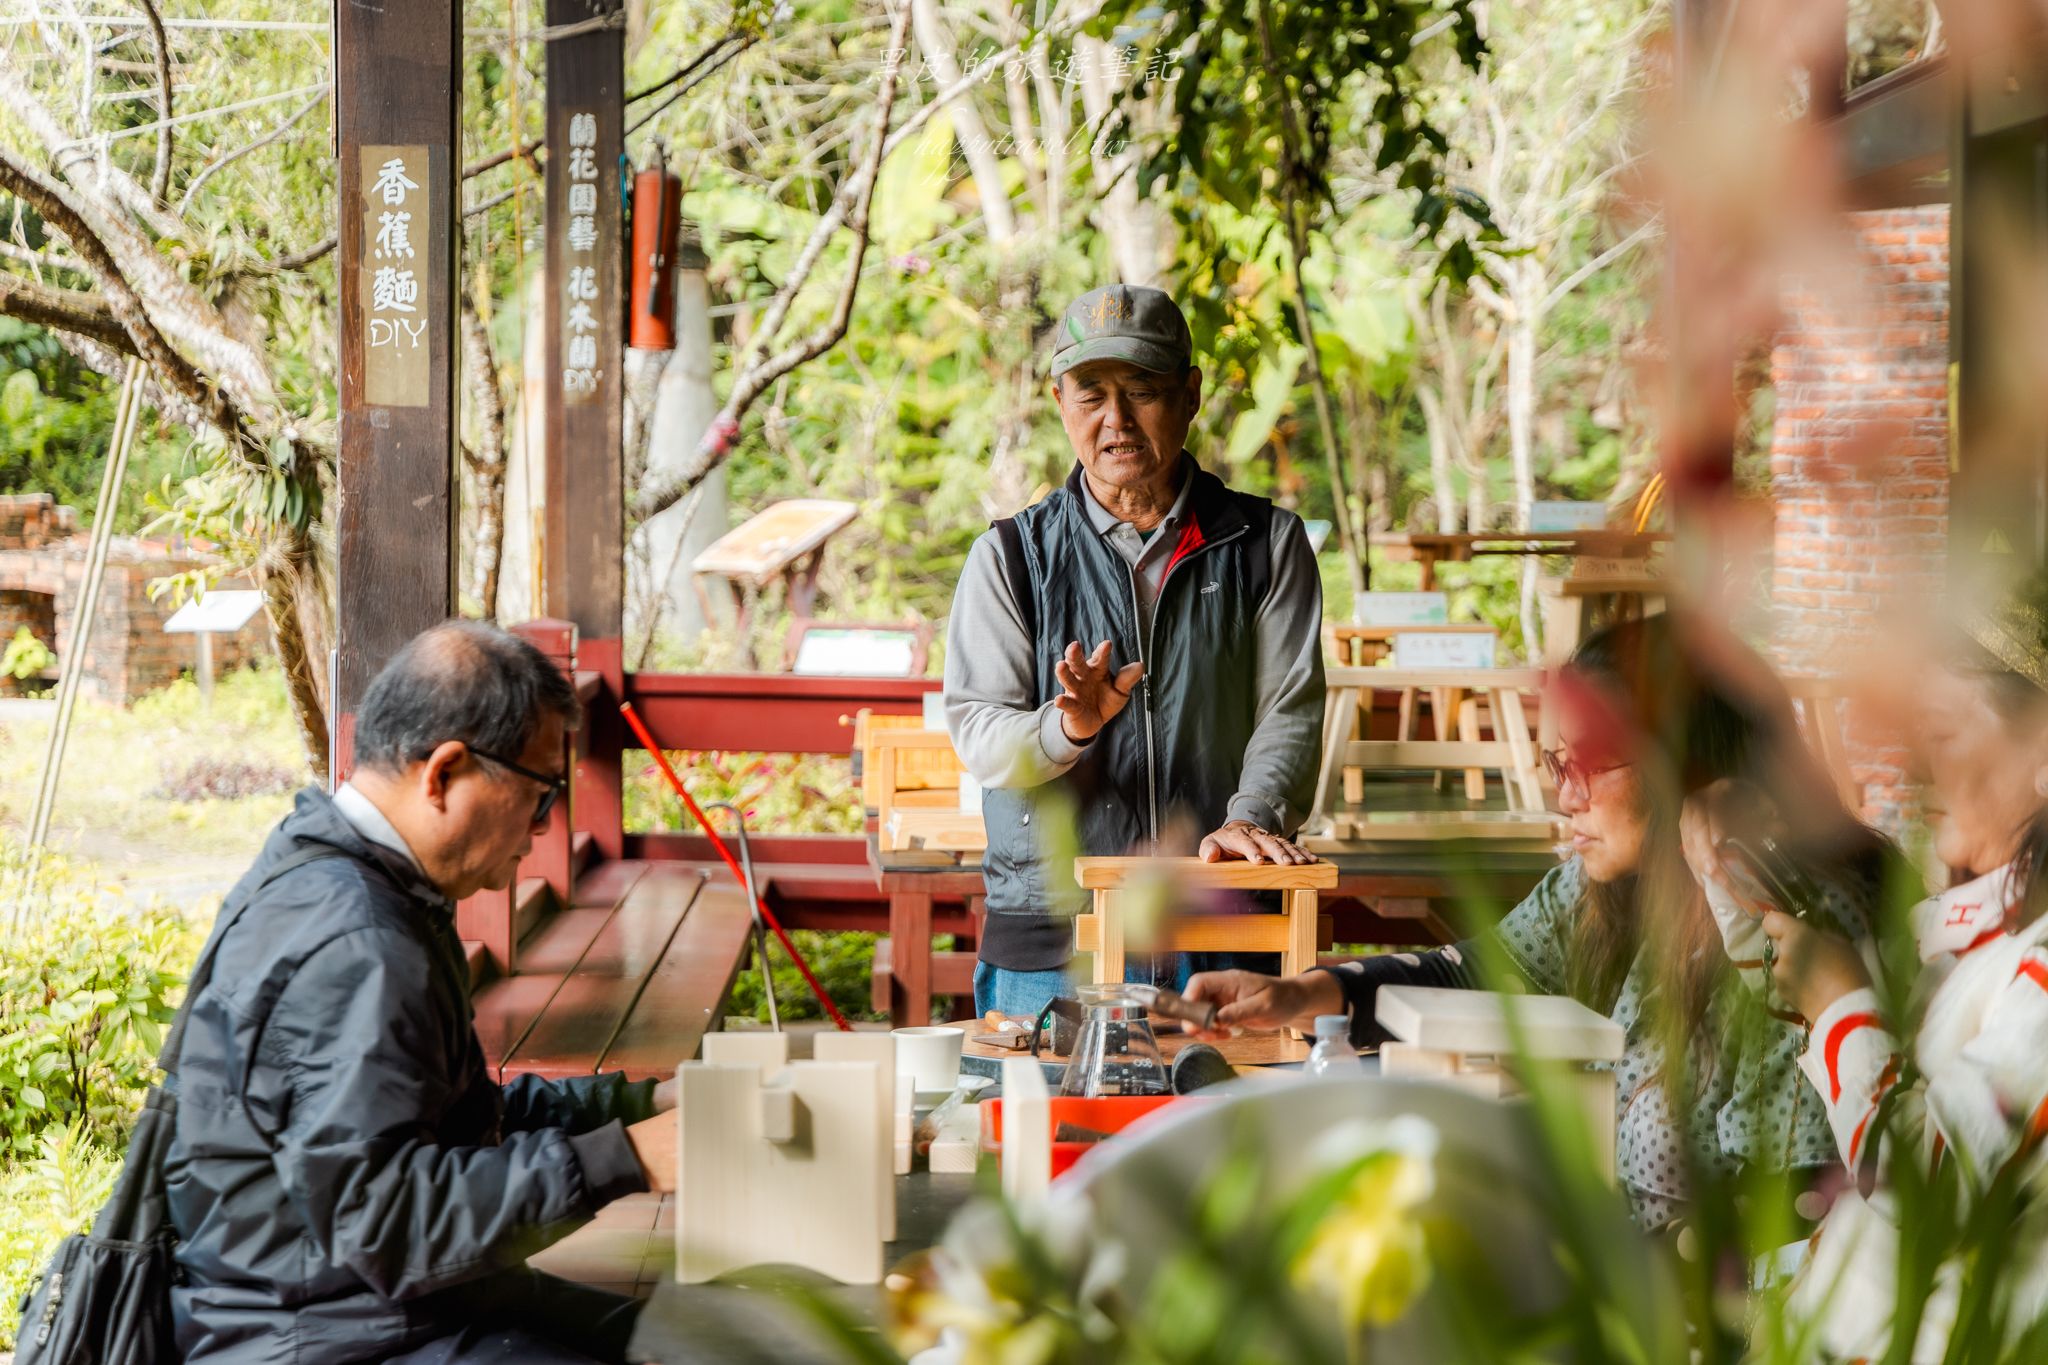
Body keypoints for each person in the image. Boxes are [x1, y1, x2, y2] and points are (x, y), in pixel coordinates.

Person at [1183, 613, 1894, 1230]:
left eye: (1588, 764)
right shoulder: (1619, 887)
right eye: (1558, 763)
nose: (1564, 797)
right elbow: (1469, 972)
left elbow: (1791, 1210)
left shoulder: (1781, 916)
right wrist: (1300, 994)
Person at [166, 622, 673, 1364]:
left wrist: (642, 1108)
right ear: (444, 771)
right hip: (320, 1333)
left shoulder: (335, 868)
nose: (540, 830)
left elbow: (443, 1108)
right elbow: (386, 1220)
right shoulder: (358, 942)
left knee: (682, 1337)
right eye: (541, 796)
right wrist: (625, 1158)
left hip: (360, 1303)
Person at [943, 283, 1327, 1020]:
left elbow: (1291, 710)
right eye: (1091, 394)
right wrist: (1068, 727)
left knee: (1222, 1134)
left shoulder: (1267, 547)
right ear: (1061, 403)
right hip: (1056, 940)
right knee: (1044, 1133)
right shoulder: (1010, 557)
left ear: (1190, 395)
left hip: (1221, 926)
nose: (1114, 419)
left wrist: (1250, 817)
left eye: (1141, 390)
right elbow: (982, 736)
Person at [1759, 586, 2048, 1359]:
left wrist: (1839, 1005)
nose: (1911, 764)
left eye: (1941, 731)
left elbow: (1927, 1190)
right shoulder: (1979, 931)